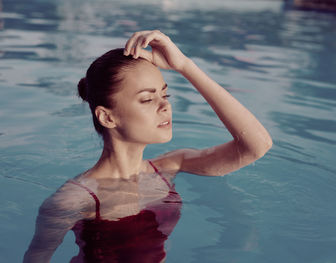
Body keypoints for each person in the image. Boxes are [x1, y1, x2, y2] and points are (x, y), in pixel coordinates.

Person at [23, 30, 272, 263]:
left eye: (165, 95)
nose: (165, 107)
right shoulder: (73, 200)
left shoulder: (171, 166)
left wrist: (184, 66)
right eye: (147, 99)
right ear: (107, 117)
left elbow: (256, 145)